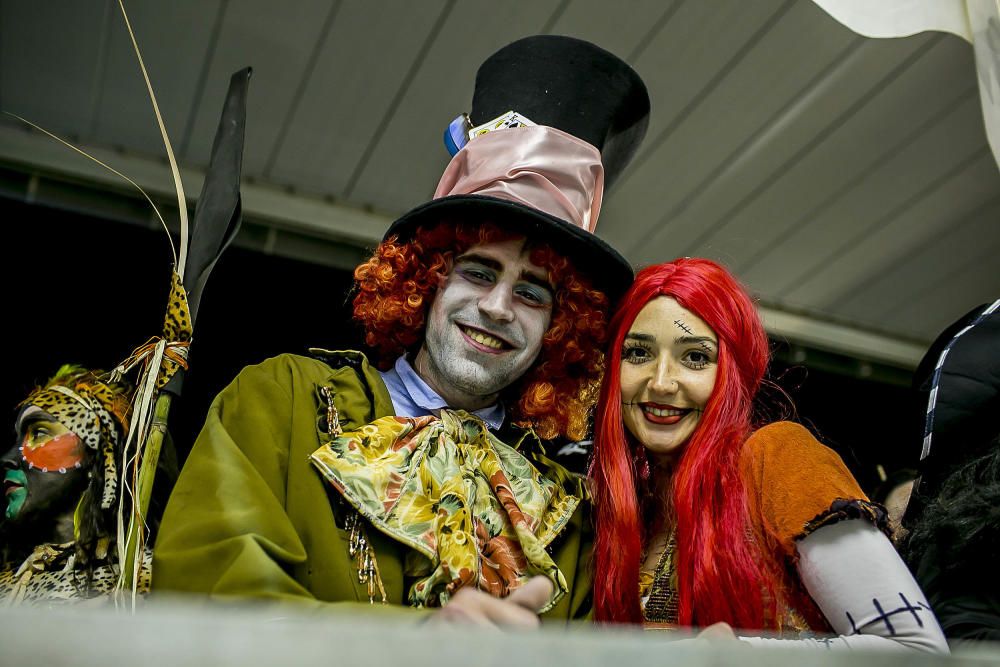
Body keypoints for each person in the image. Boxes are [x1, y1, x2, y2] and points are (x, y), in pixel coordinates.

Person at [153, 35, 649, 626]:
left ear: (559, 329)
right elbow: (206, 592)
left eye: (531, 292)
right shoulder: (279, 398)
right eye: (478, 271)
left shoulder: (569, 513)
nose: (496, 307)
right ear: (425, 281)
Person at [589, 258, 948, 651]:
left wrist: (736, 655)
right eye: (638, 353)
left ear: (733, 373)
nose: (660, 382)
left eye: (695, 357)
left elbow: (917, 649)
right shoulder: (628, 503)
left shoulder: (776, 456)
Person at [0, 366, 147, 605]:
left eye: (38, 433)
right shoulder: (7, 581)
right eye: (18, 438)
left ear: (94, 454)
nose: (8, 457)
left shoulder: (137, 577)